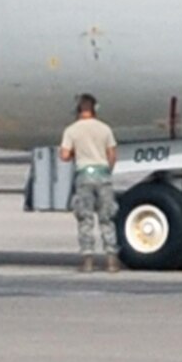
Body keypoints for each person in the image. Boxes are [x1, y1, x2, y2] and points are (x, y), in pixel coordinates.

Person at [59, 94, 120, 273]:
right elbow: (112, 154)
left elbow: (64, 155)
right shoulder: (105, 129)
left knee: (85, 218)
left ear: (78, 110)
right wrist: (107, 169)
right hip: (102, 174)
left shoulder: (71, 130)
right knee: (107, 217)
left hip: (84, 175)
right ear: (95, 109)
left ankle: (88, 260)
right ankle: (111, 260)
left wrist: (75, 156)